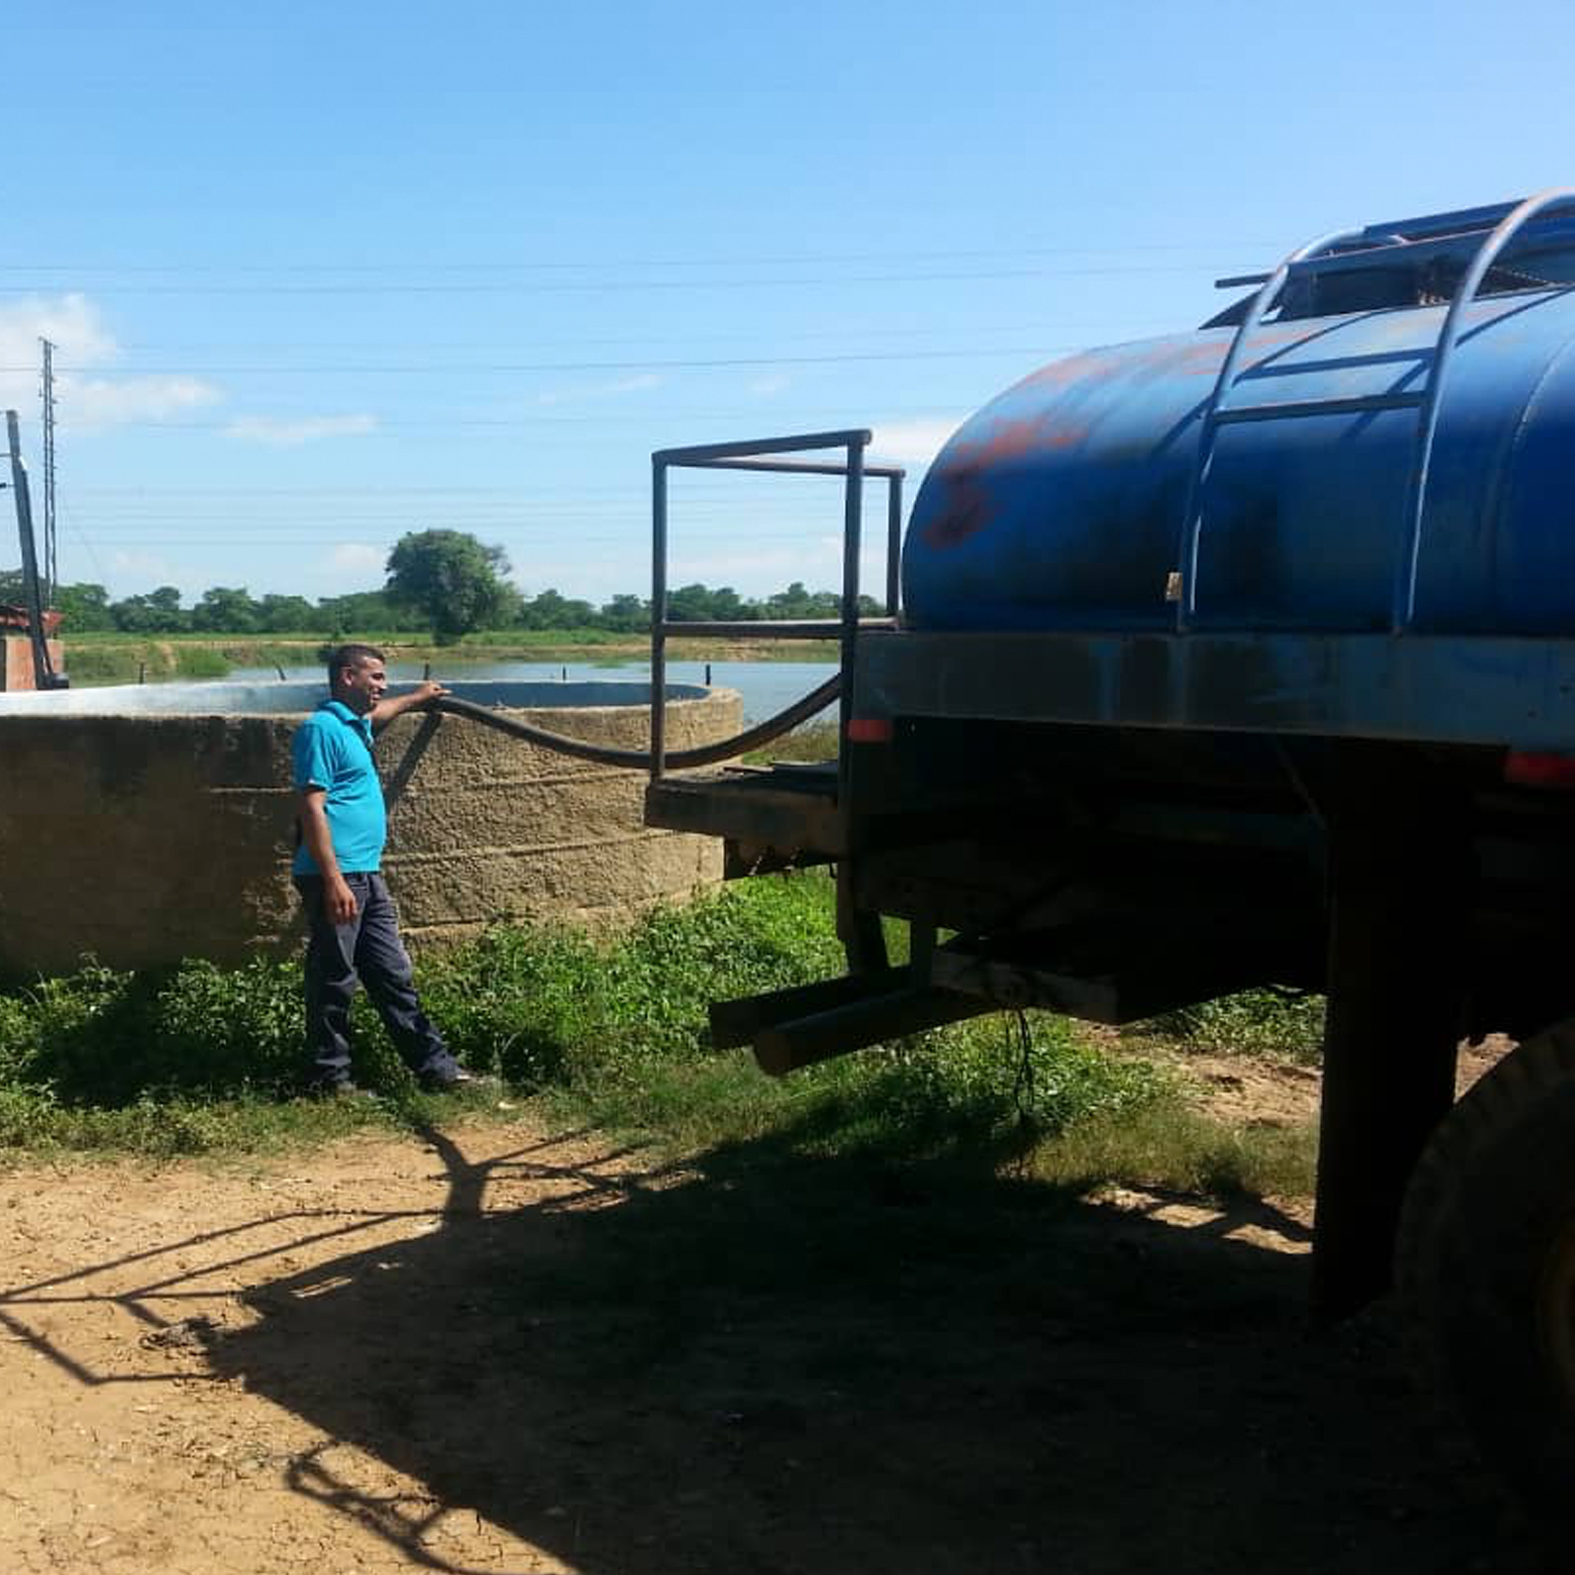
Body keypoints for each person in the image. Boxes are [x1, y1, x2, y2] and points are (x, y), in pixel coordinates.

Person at [292, 643, 478, 1096]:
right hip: (336, 877)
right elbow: (311, 807)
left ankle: (437, 1070)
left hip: (365, 875)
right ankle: (328, 1079)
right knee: (334, 978)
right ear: (345, 677)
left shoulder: (355, 727)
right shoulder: (321, 729)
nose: (382, 685)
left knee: (392, 974)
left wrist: (418, 697)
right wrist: (333, 879)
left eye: (383, 677)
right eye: (374, 676)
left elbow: (380, 714)